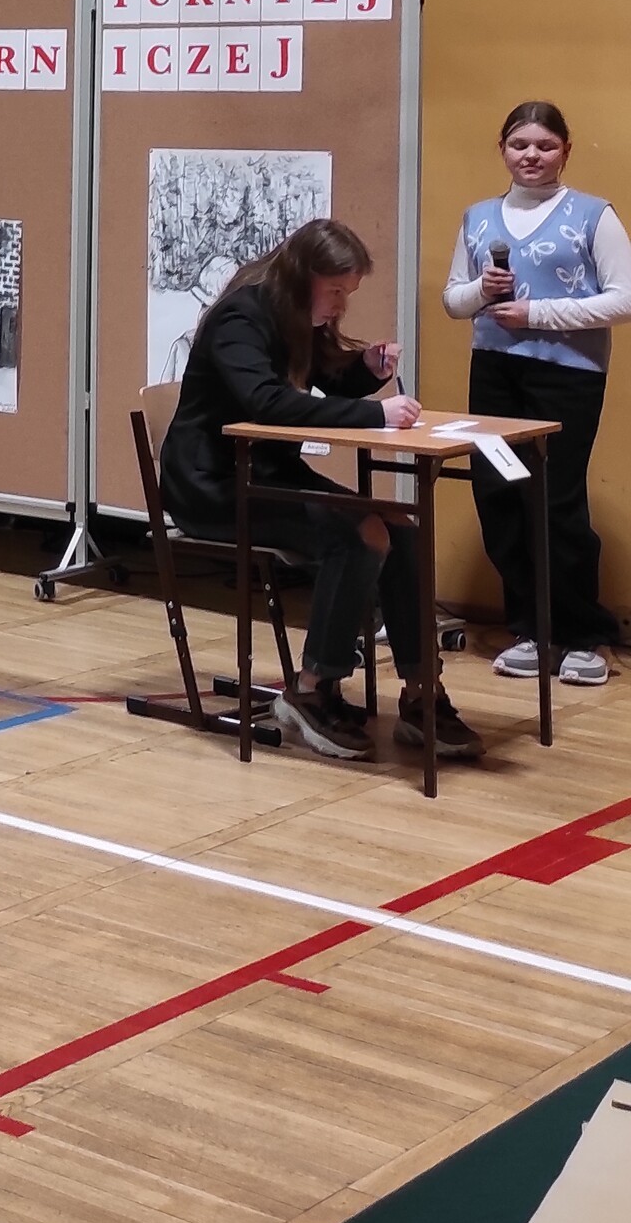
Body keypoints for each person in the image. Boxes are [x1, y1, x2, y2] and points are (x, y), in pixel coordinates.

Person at [159, 217, 480, 764]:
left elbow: (326, 378)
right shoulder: (241, 317)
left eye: (346, 294)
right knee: (360, 536)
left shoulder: (294, 313)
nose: (340, 305)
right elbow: (267, 402)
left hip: (267, 472)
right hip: (211, 485)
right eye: (335, 291)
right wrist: (375, 414)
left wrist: (366, 369)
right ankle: (310, 690)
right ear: (303, 275)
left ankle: (422, 692)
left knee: (400, 528)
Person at [444, 100, 626, 685]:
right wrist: (481, 290)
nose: (532, 155)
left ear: (565, 151)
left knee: (555, 501)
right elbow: (453, 300)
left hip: (567, 376)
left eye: (545, 146)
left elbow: (624, 297)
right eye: (520, 144)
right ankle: (530, 628)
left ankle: (584, 635)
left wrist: (537, 313)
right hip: (495, 373)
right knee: (499, 493)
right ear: (502, 148)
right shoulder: (478, 217)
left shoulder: (593, 214)